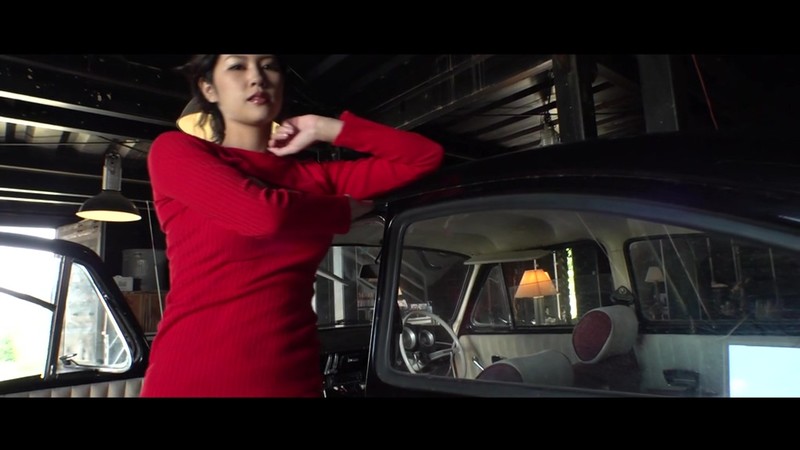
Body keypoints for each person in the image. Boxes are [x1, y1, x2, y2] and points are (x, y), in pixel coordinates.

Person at [140, 54, 444, 397]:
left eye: (268, 66)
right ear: (209, 89)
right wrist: (340, 210)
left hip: (290, 376)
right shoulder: (176, 150)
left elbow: (424, 157)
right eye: (237, 66)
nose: (257, 77)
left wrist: (323, 127)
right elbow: (262, 216)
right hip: (191, 377)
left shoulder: (312, 179)